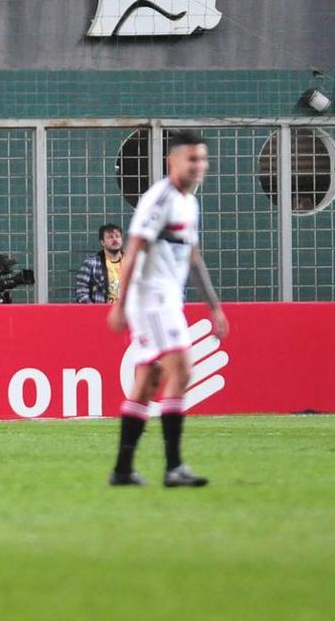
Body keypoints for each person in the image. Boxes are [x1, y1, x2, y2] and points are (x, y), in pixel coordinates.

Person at [107, 130, 228, 488]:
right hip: (152, 297)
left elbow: (192, 257)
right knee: (182, 369)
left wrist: (214, 307)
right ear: (172, 161)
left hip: (169, 297)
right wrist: (123, 304)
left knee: (149, 380)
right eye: (192, 159)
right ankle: (173, 467)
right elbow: (134, 250)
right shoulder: (159, 198)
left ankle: (123, 469)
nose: (199, 166)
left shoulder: (190, 203)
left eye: (202, 159)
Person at [74, 223, 124, 304]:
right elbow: (81, 293)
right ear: (102, 242)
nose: (115, 239)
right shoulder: (91, 264)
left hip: (128, 313)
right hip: (103, 313)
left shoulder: (132, 263)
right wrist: (95, 312)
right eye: (110, 237)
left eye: (117, 236)